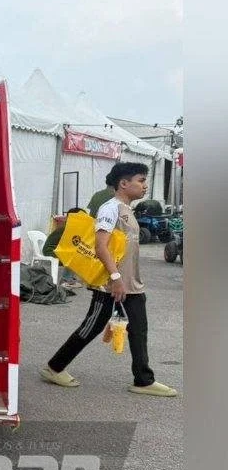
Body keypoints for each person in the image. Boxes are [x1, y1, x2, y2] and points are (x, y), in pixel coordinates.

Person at [40, 162, 178, 397]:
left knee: (139, 329)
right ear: (124, 184)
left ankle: (143, 380)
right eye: (141, 181)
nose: (145, 186)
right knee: (91, 326)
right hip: (110, 284)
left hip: (130, 285)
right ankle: (54, 367)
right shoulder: (110, 208)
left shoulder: (126, 209)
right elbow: (100, 246)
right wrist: (115, 278)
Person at [42, 208, 84, 289]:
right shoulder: (67, 228)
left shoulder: (71, 227)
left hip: (57, 250)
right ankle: (65, 280)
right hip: (51, 251)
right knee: (73, 256)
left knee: (77, 253)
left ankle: (69, 277)